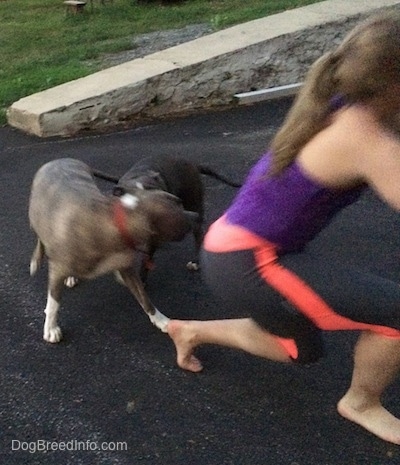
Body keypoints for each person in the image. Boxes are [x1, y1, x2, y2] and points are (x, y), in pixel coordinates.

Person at [167, 10, 400, 445]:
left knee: (302, 349)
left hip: (236, 249)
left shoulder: (343, 103)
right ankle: (361, 403)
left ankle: (192, 329)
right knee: (396, 314)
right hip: (249, 261)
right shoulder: (364, 134)